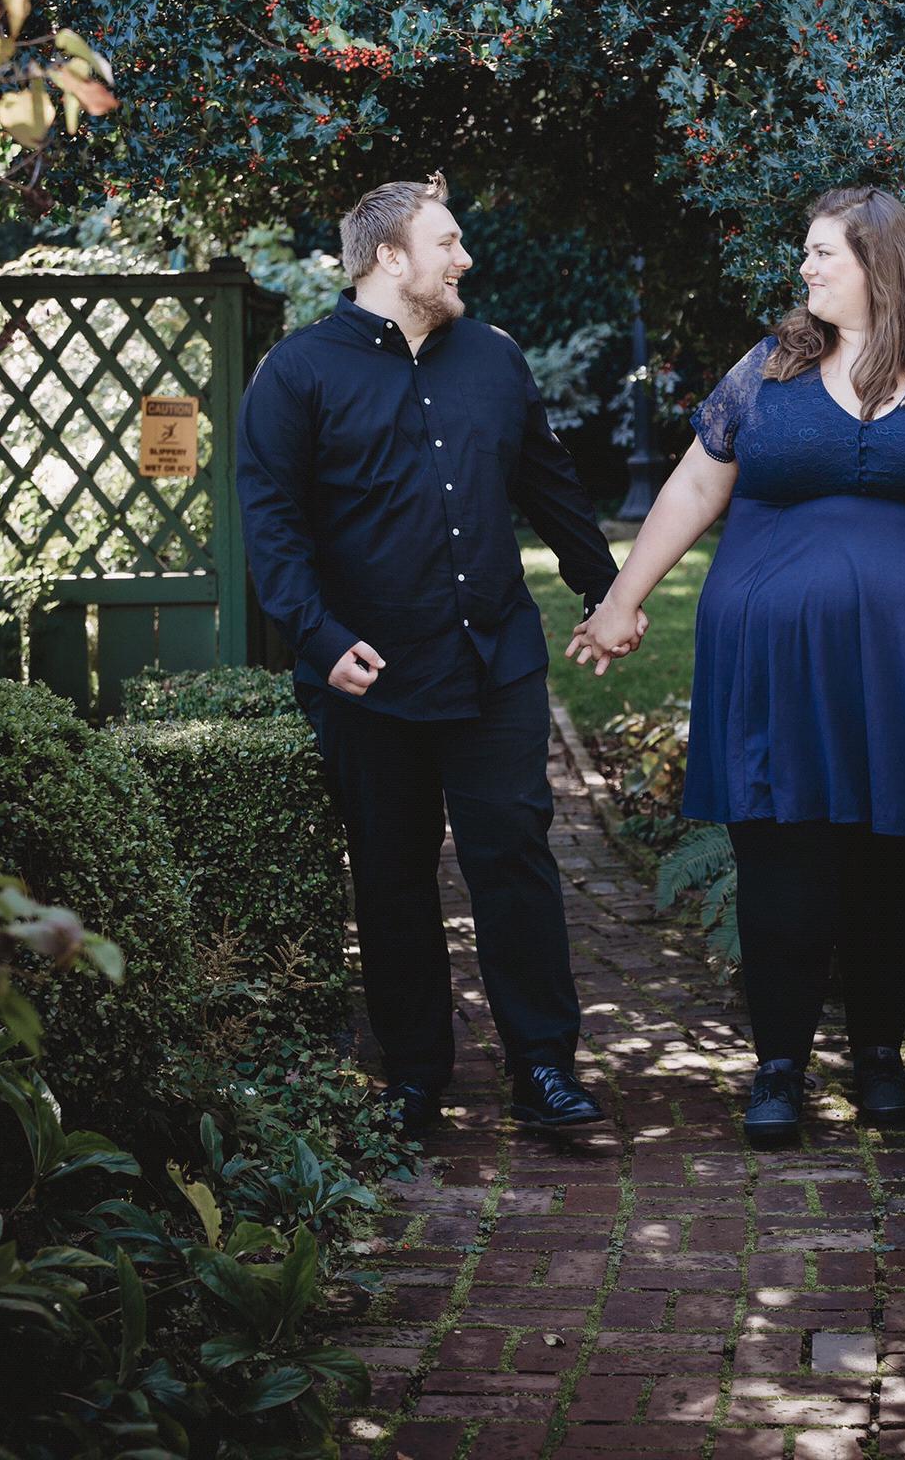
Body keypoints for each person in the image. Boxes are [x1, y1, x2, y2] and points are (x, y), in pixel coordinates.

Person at [569, 184, 905, 1147]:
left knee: (895, 855)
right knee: (781, 851)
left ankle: (879, 1058)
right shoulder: (772, 367)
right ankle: (779, 1067)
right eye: (806, 252)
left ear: (881, 264)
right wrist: (623, 600)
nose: (804, 268)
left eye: (822, 253)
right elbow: (696, 483)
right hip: (781, 665)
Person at [237, 173, 643, 1137]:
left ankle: (543, 1070)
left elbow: (549, 486)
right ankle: (415, 1077)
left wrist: (608, 594)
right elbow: (272, 525)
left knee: (515, 862)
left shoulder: (494, 358)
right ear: (390, 256)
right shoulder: (297, 373)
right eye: (447, 242)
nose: (465, 258)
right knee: (390, 875)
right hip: (368, 674)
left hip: (496, 663)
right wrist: (319, 638)